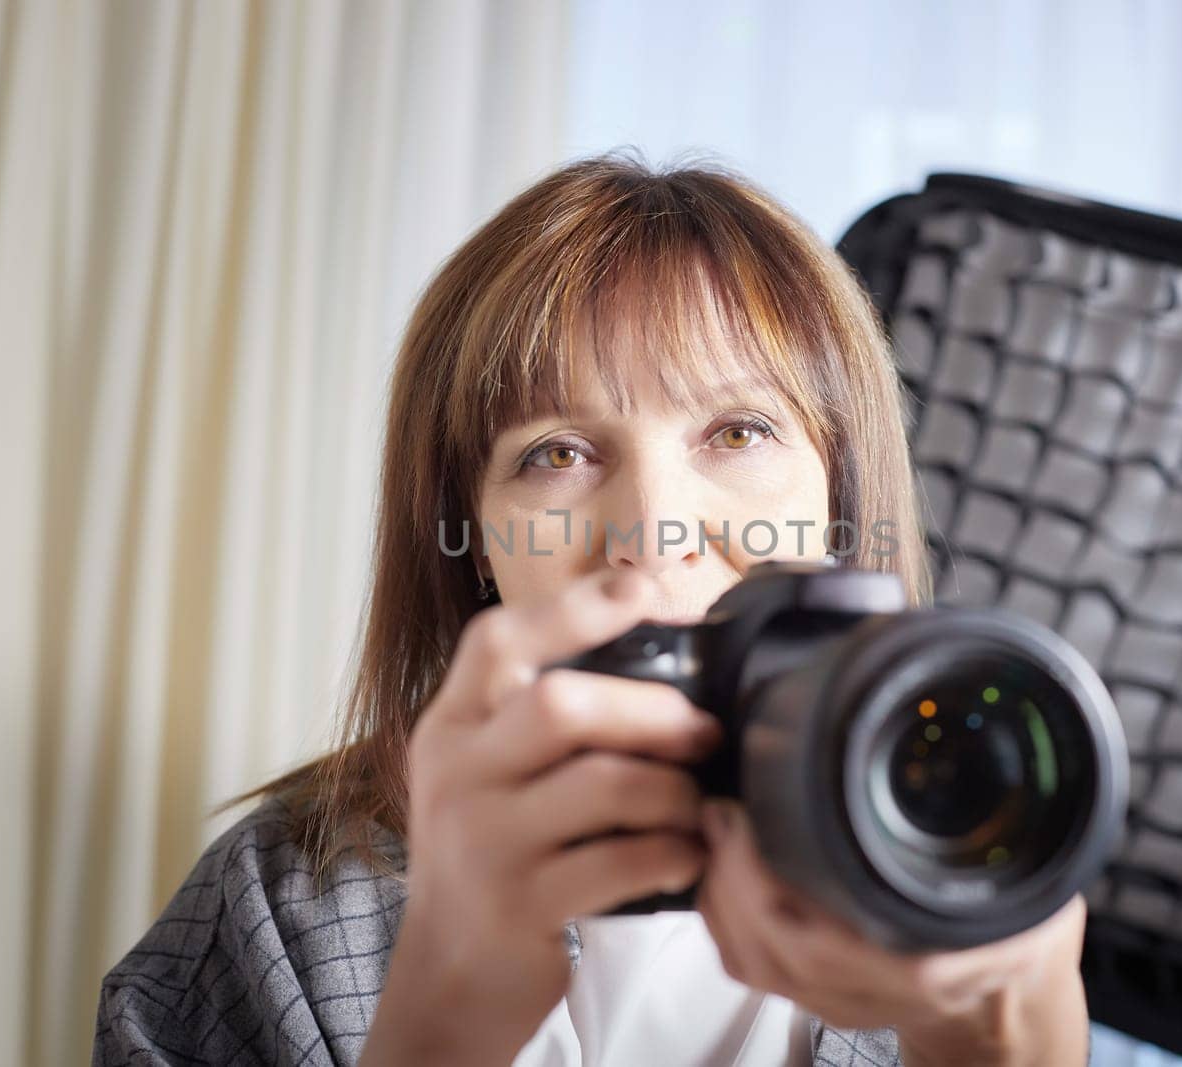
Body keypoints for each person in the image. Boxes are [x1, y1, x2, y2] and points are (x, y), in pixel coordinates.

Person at [92, 150, 1090, 1067]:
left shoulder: (976, 836)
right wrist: (439, 1018)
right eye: (557, 452)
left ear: (839, 495)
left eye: (737, 431)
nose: (653, 531)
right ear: (475, 537)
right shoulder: (278, 907)